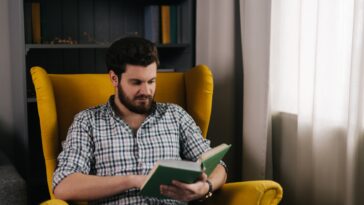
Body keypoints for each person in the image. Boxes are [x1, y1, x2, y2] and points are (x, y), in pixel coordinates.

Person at [52, 36, 227, 204]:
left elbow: (218, 166)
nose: (146, 91)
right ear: (114, 78)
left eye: (151, 81)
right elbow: (64, 185)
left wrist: (206, 187)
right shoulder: (87, 122)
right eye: (136, 82)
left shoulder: (176, 115)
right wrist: (133, 181)